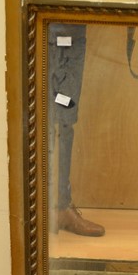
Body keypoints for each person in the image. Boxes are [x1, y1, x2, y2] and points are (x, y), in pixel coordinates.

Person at [48, 23, 105, 237]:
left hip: (71, 36)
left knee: (65, 122)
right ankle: (48, 208)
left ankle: (61, 208)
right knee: (42, 121)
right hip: (42, 29)